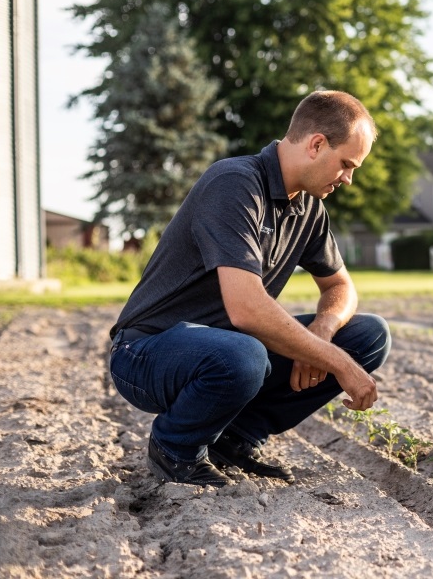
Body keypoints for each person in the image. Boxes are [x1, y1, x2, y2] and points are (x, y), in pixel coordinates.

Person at [108, 90, 391, 487]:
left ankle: (235, 439)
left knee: (368, 335)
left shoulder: (309, 207)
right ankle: (176, 446)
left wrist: (324, 331)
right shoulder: (235, 184)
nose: (348, 178)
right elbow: (246, 309)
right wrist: (338, 363)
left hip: (226, 347)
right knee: (245, 355)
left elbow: (340, 286)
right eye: (347, 164)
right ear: (316, 144)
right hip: (146, 352)